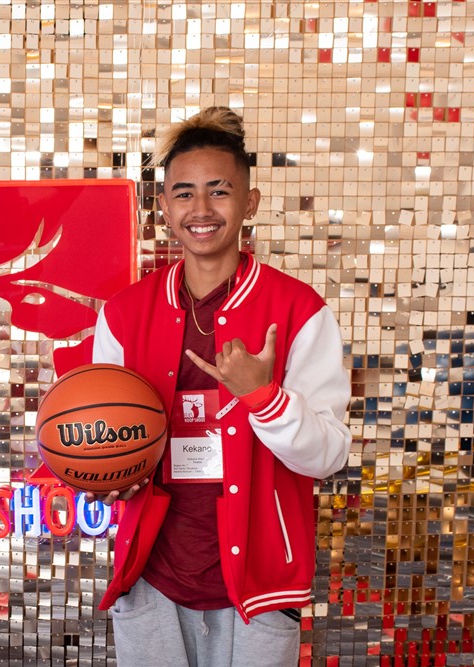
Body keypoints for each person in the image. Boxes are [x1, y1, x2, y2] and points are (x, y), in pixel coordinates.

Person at [87, 107, 352, 666]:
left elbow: (327, 455)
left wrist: (266, 398)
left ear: (249, 202)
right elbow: (109, 435)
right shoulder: (124, 315)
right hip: (152, 577)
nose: (201, 210)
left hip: (259, 586)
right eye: (183, 194)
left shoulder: (299, 311)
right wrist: (106, 474)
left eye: (219, 191)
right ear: (163, 208)